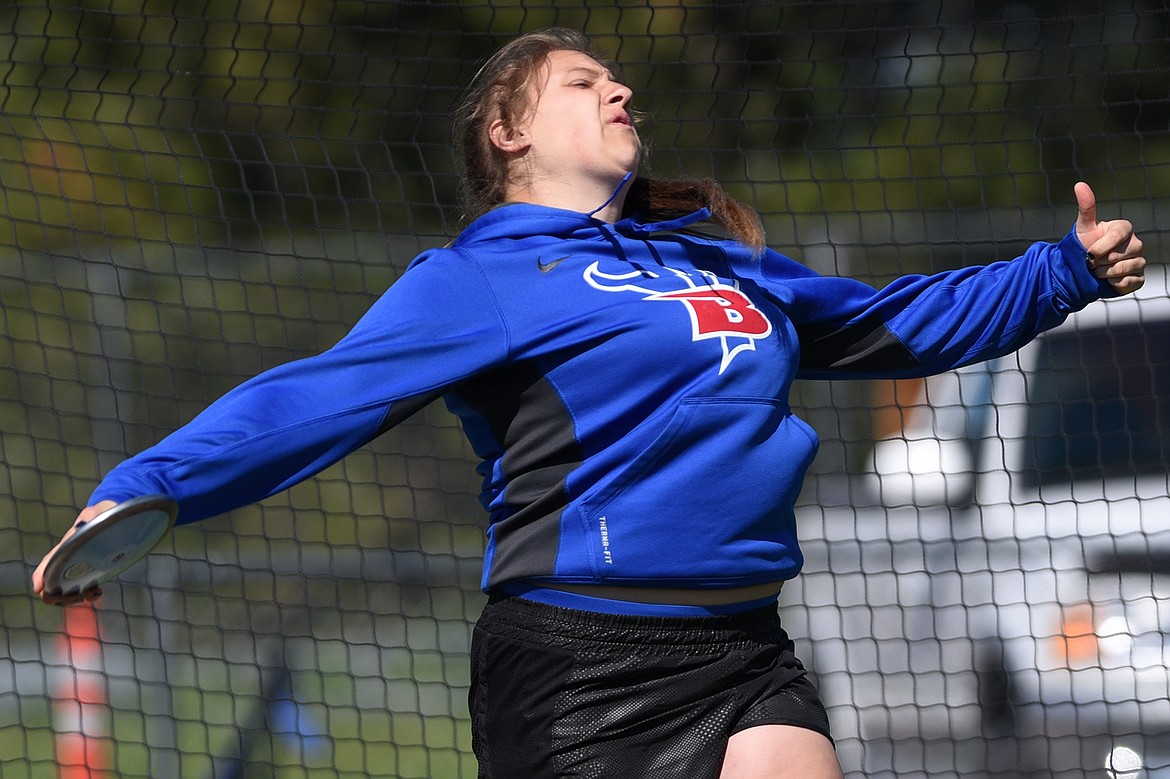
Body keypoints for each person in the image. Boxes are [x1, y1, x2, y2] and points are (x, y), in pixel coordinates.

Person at [33, 27, 1146, 779]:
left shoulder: (723, 267)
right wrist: (147, 488)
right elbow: (312, 400)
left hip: (747, 649)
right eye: (582, 82)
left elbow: (895, 321)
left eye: (620, 79)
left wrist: (1064, 272)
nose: (620, 90)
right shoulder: (480, 276)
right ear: (507, 134)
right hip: (578, 669)